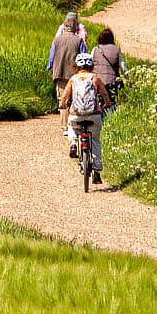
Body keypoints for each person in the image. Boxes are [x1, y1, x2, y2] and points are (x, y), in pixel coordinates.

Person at [66, 48, 109, 188]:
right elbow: (104, 93)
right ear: (91, 66)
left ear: (77, 66)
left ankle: (73, 143)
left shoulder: (73, 79)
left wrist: (61, 105)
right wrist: (107, 104)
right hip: (94, 114)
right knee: (95, 140)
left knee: (71, 125)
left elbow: (65, 96)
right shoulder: (94, 78)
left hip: (76, 115)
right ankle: (97, 172)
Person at [45, 13, 86, 153]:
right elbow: (83, 56)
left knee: (62, 100)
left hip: (59, 73)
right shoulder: (78, 40)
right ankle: (74, 125)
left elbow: (51, 58)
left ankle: (65, 127)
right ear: (75, 26)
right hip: (74, 75)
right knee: (75, 99)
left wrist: (51, 68)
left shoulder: (57, 40)